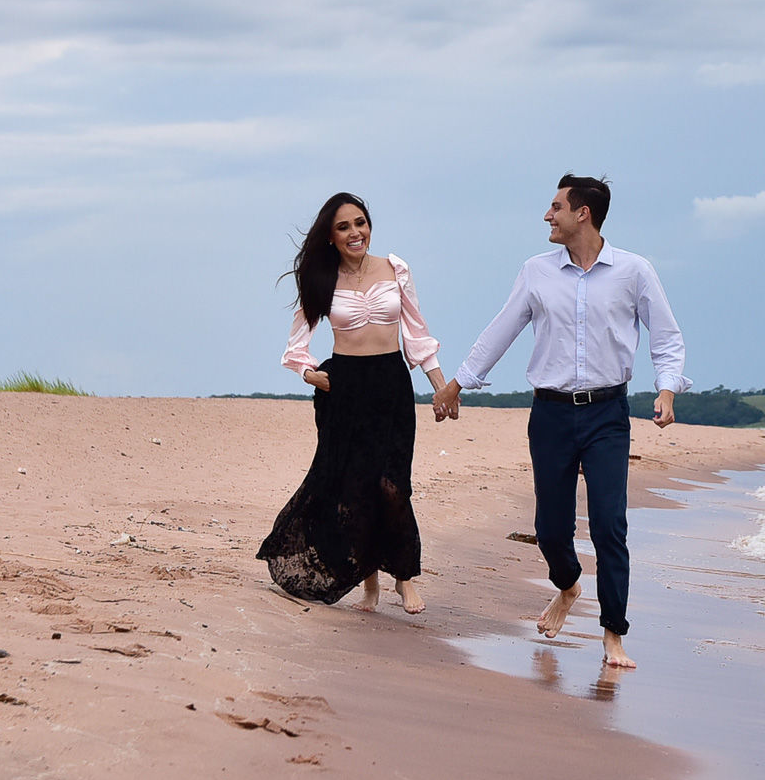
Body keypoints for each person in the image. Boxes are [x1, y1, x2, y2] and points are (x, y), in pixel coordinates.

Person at [431, 174, 688, 667]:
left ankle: (613, 634)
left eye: (556, 207)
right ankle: (568, 586)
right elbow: (501, 330)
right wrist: (457, 383)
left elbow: (666, 335)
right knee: (551, 530)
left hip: (608, 414)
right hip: (550, 413)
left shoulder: (634, 271)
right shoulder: (536, 271)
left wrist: (667, 388)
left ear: (582, 213)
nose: (547, 216)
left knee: (610, 525)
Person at [258, 193, 447, 614]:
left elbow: (417, 335)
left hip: (391, 385)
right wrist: (309, 373)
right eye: (343, 227)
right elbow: (296, 346)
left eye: (360, 223)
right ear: (331, 236)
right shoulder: (322, 280)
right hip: (343, 388)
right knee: (355, 489)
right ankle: (370, 584)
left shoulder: (395, 269)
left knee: (393, 485)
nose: (354, 232)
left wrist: (439, 387)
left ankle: (405, 579)